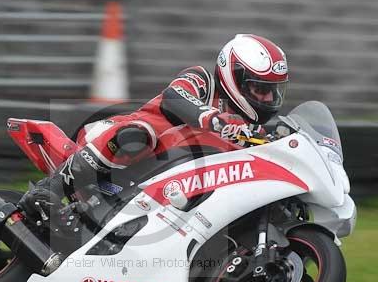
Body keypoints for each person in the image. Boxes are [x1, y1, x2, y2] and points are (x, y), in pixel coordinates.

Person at [20, 33, 289, 222]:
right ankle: (50, 188)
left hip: (167, 191)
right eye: (259, 89)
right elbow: (175, 96)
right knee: (137, 135)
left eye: (272, 91)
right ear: (234, 78)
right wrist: (213, 119)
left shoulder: (252, 132)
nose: (267, 99)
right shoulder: (202, 80)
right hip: (118, 140)